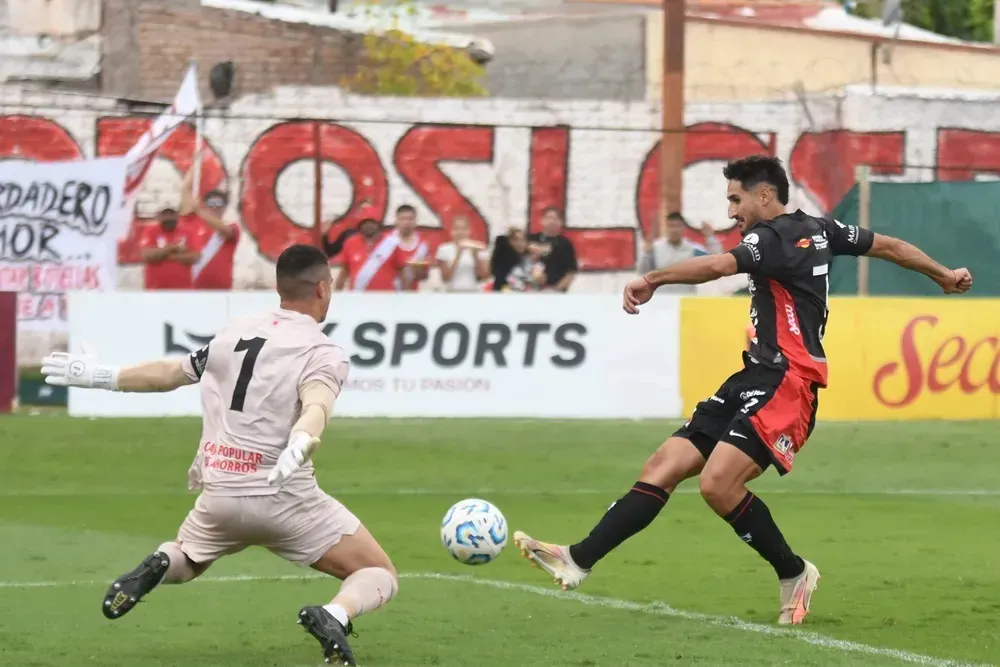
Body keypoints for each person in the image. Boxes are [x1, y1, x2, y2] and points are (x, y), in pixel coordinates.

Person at [513, 155, 972, 626]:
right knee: (662, 465)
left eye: (736, 199)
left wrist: (652, 278)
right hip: (752, 377)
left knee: (717, 484)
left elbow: (716, 266)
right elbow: (890, 246)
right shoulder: (819, 227)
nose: (732, 211)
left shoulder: (769, 237)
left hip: (787, 382)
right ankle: (578, 558)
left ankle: (794, 573)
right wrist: (943, 274)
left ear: (764, 195)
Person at [39, 245, 399, 666]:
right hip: (284, 496)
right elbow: (317, 402)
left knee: (188, 558)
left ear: (277, 287)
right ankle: (334, 615)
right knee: (379, 572)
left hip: (221, 492)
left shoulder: (235, 332)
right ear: (322, 288)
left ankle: (159, 562)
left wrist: (102, 375)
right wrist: (302, 440)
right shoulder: (322, 351)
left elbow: (170, 374)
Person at [179, 166, 241, 291]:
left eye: (219, 203)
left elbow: (224, 231)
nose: (215, 207)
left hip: (221, 290)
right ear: (206, 205)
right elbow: (185, 190)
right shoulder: (194, 223)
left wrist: (199, 211)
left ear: (224, 207)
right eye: (211, 203)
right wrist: (196, 164)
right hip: (194, 287)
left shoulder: (232, 227)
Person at [638, 212, 722, 294]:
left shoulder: (693, 250)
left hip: (685, 299)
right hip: (661, 299)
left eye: (677, 226)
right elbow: (642, 272)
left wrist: (710, 238)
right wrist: (646, 253)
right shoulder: (655, 249)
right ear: (666, 228)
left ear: (683, 228)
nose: (674, 230)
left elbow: (717, 263)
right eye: (671, 226)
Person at [333, 218, 408, 292]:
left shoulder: (392, 243)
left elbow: (404, 272)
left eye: (371, 222)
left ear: (378, 224)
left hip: (387, 297)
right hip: (358, 298)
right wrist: (337, 294)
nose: (368, 225)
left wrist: (405, 296)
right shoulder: (350, 243)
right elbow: (344, 272)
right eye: (364, 223)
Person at [138, 207, 200, 290]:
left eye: (172, 214)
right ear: (159, 216)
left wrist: (164, 255)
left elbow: (195, 256)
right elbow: (147, 255)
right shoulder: (150, 231)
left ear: (177, 216)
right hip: (156, 287)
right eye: (165, 214)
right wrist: (172, 248)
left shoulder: (188, 232)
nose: (168, 217)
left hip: (183, 288)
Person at [528, 207, 578, 292]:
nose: (551, 221)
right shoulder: (531, 239)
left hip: (555, 290)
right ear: (542, 220)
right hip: (530, 289)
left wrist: (556, 290)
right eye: (548, 218)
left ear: (561, 222)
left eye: (555, 218)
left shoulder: (566, 244)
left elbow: (571, 271)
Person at [435, 216, 490, 292]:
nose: (460, 232)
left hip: (473, 293)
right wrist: (458, 254)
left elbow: (485, 277)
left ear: (469, 231)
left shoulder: (478, 247)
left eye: (464, 229)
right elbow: (445, 278)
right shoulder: (443, 249)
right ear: (452, 231)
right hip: (451, 293)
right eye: (457, 229)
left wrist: (475, 256)